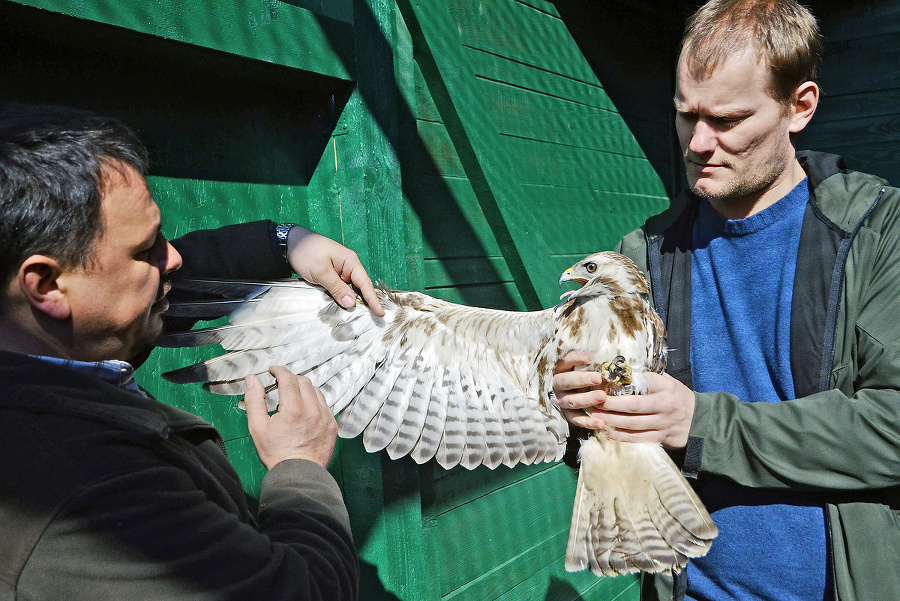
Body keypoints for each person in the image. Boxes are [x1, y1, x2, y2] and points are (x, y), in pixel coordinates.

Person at [554, 1, 900, 599]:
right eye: (686, 116)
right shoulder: (644, 259)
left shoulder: (876, 232)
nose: (698, 143)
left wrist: (703, 424)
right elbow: (623, 391)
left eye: (728, 119)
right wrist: (586, 408)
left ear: (801, 106)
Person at [0, 103, 382, 600]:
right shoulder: (80, 488)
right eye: (147, 250)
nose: (174, 256)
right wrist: (299, 467)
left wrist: (284, 242)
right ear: (46, 285)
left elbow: (128, 294)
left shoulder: (36, 347)